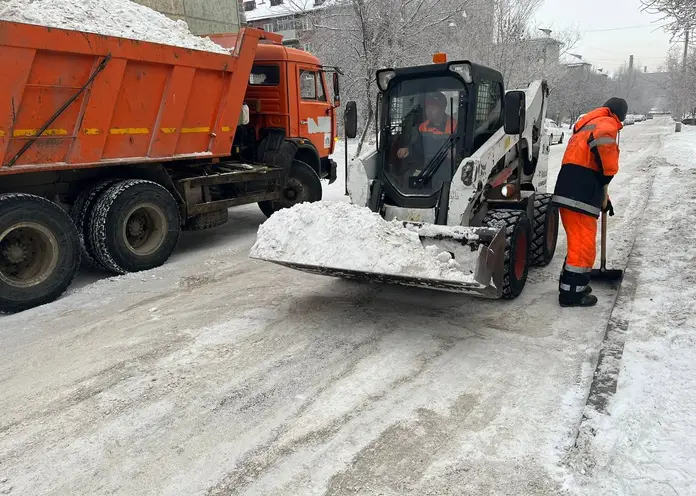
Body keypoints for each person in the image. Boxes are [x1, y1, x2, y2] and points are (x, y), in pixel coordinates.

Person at [551, 97, 627, 308]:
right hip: (581, 192)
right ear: (619, 114)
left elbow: (588, 160)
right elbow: (603, 143)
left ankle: (572, 285)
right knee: (583, 245)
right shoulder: (606, 123)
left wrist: (605, 196)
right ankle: (572, 295)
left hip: (571, 189)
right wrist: (608, 175)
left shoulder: (586, 124)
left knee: (578, 242)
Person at [397, 91, 457, 159]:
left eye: (433, 107)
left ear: (443, 108)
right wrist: (407, 150)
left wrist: (456, 152)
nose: (429, 111)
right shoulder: (422, 127)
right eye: (428, 107)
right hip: (429, 166)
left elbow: (461, 148)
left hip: (448, 166)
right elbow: (417, 147)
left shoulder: (455, 126)